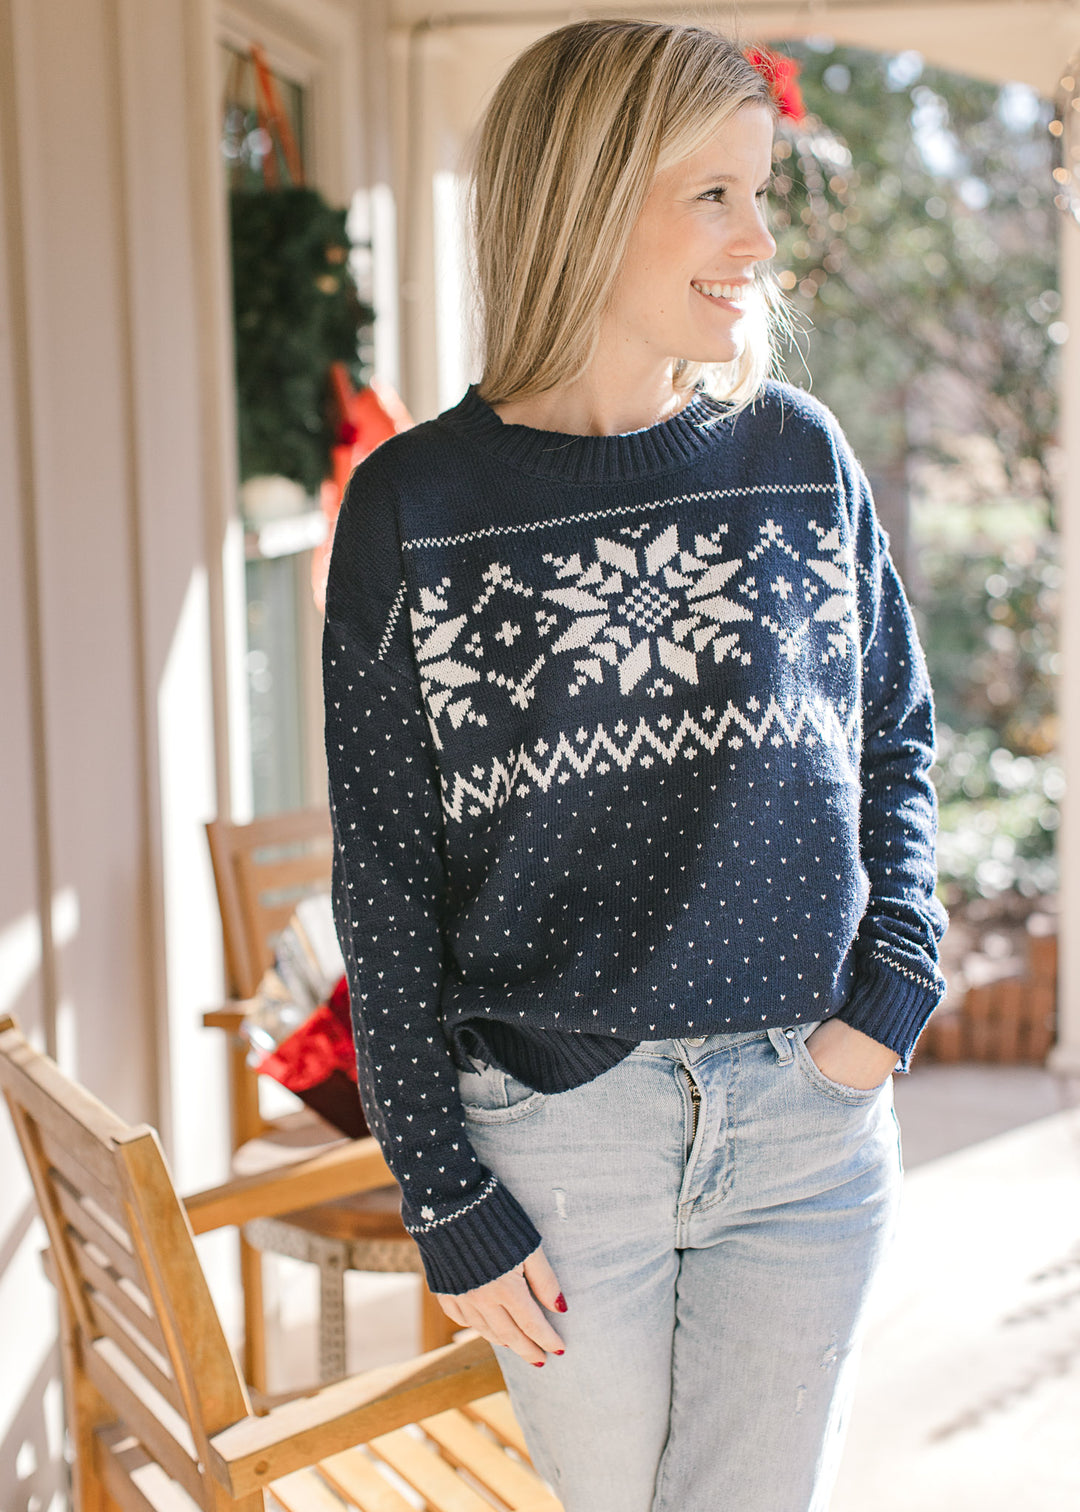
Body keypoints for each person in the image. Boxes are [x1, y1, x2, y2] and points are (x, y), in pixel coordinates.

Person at [323, 19, 947, 1512]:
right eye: (716, 195)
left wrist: (894, 991)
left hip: (806, 1120)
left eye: (764, 194)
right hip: (557, 1143)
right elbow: (387, 876)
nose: (760, 240)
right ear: (591, 197)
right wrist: (443, 1194)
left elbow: (897, 735)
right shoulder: (416, 507)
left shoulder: (797, 457)